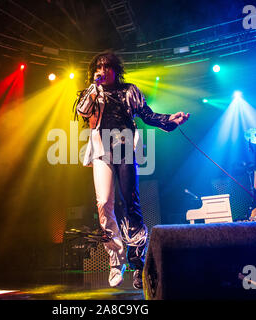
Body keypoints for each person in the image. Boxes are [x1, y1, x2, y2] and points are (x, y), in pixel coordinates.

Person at [74, 51, 189, 289]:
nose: (102, 71)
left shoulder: (129, 91)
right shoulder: (92, 93)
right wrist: (93, 89)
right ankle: (115, 257)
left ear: (116, 69)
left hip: (125, 150)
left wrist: (171, 120)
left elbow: (147, 115)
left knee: (130, 203)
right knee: (104, 202)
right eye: (98, 67)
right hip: (101, 153)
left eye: (107, 67)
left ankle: (137, 263)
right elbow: (82, 112)